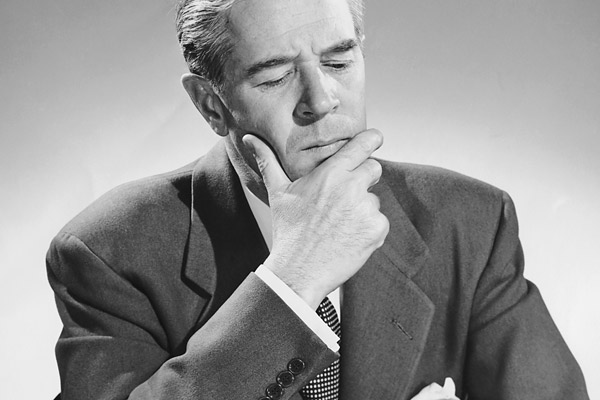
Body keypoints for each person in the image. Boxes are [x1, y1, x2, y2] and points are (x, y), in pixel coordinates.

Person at [46, 0, 589, 399]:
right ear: (211, 105)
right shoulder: (108, 251)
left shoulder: (471, 221)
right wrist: (292, 280)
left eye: (338, 62)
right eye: (276, 76)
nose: (322, 100)